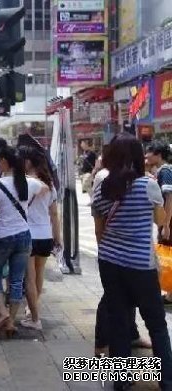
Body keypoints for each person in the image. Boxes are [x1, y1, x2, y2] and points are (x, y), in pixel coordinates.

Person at [93, 134, 172, 390]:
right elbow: (160, 222)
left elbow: (99, 231)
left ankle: (121, 380)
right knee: (157, 324)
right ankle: (167, 379)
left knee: (118, 321)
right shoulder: (147, 185)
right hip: (141, 266)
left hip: (110, 262)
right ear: (138, 157)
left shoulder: (102, 186)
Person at [92, 143, 152, 358]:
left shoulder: (111, 181)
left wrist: (106, 253)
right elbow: (159, 218)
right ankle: (102, 343)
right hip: (133, 261)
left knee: (118, 309)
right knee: (153, 322)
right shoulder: (143, 183)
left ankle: (121, 374)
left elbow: (100, 228)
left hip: (114, 258)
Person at [0, 146, 46, 337]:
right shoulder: (28, 183)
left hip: (1, 236)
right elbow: (45, 188)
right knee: (17, 280)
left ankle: (2, 313)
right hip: (24, 236)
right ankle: (10, 321)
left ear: (4, 161)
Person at [18, 146, 61, 331]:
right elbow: (54, 215)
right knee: (39, 273)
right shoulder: (50, 185)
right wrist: (57, 238)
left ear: (28, 162)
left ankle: (34, 318)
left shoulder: (24, 183)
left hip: (29, 234)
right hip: (46, 236)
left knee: (29, 277)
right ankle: (32, 308)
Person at [145, 141, 172, 306]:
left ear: (158, 154)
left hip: (169, 221)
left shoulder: (166, 171)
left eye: (149, 152)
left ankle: (170, 295)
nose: (146, 156)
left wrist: (167, 225)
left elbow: (169, 198)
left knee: (168, 257)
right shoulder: (163, 171)